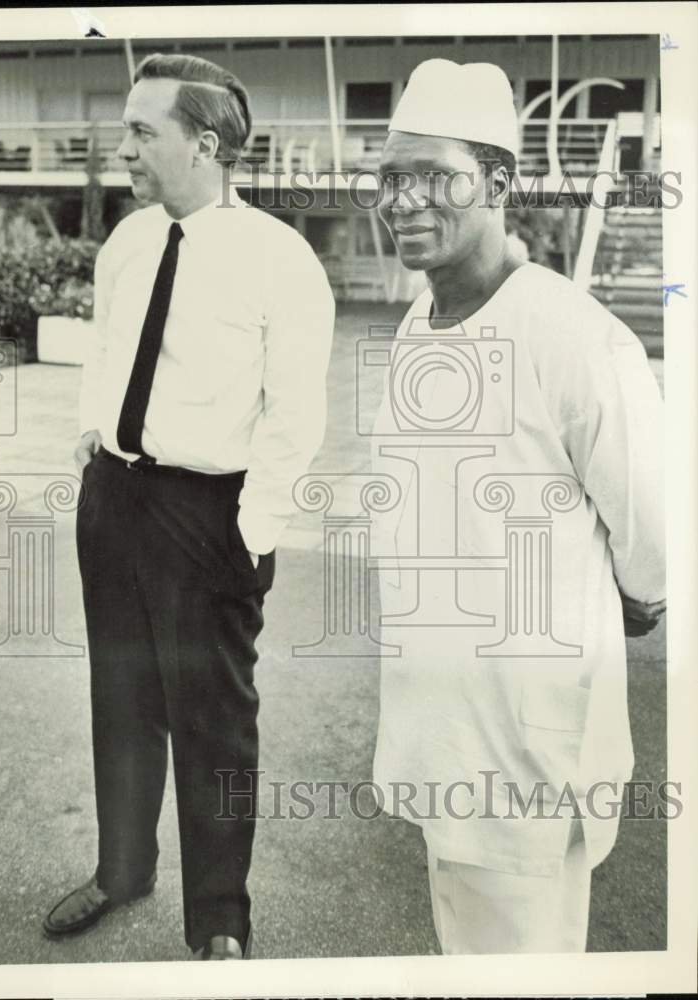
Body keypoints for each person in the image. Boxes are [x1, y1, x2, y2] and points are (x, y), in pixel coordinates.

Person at [43, 53, 335, 960]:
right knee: (121, 699)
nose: (120, 147)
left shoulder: (279, 259)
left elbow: (295, 415)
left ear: (204, 143)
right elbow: (105, 353)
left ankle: (218, 921)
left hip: (209, 516)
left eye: (140, 130)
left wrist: (250, 532)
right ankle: (121, 872)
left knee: (214, 725)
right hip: (116, 501)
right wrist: (98, 435)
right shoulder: (129, 242)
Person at [369, 59, 665, 954]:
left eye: (435, 174)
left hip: (528, 743)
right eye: (390, 178)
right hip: (437, 728)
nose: (404, 200)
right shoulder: (415, 329)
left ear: (498, 182)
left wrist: (633, 599)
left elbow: (652, 533)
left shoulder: (575, 337)